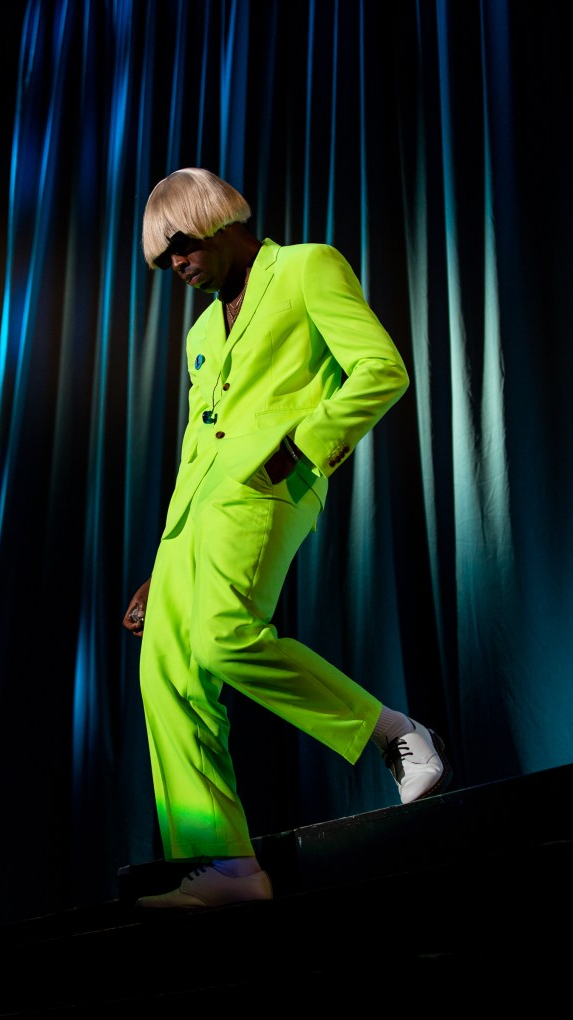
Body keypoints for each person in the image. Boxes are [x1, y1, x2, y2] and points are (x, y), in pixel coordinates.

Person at [122, 167, 452, 910]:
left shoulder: (307, 267)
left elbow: (381, 369)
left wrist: (301, 447)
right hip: (190, 520)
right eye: (163, 258)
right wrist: (160, 560)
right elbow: (194, 447)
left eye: (178, 244)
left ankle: (394, 733)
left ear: (215, 216)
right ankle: (226, 871)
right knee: (166, 680)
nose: (174, 264)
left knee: (224, 639)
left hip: (269, 488)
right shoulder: (203, 332)